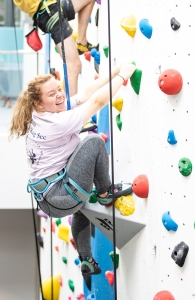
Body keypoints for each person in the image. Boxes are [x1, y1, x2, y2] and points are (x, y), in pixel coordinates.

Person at [8, 62, 137, 277]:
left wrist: (113, 72)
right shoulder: (57, 122)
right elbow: (97, 101)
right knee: (93, 141)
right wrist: (123, 77)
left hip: (50, 199)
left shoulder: (38, 115)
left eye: (59, 89)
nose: (59, 95)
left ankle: (85, 258)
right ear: (39, 103)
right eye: (52, 94)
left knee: (81, 206)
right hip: (61, 195)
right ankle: (105, 193)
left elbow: (85, 94)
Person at [14, 0, 97, 96]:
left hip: (51, 6)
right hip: (49, 11)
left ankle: (81, 41)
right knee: (74, 65)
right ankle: (70, 109)